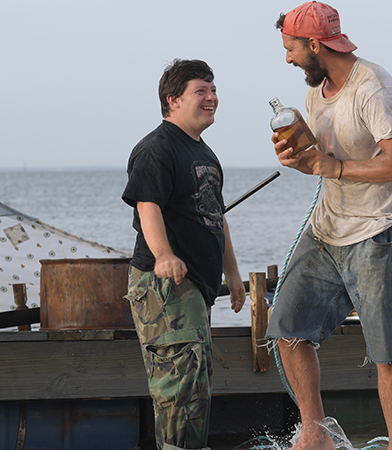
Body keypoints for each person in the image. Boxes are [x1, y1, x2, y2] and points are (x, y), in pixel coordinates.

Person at [265, 3, 392, 449]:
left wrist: (332, 167)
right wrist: (302, 161)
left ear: (314, 45)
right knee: (286, 327)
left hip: (375, 232)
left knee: (387, 355)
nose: (287, 59)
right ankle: (317, 433)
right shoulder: (316, 91)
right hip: (326, 229)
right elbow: (322, 162)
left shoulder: (374, 88)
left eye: (290, 48)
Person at [122, 58, 246, 450]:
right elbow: (147, 205)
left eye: (213, 90)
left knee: (197, 384)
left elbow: (216, 218)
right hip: (165, 287)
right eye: (201, 91)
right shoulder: (157, 148)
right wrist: (163, 255)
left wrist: (234, 275)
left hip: (196, 288)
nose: (212, 98)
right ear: (173, 100)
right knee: (178, 387)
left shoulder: (205, 154)